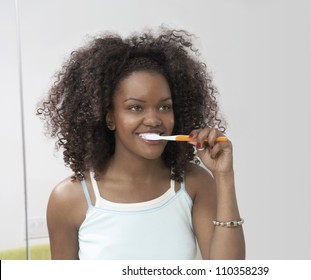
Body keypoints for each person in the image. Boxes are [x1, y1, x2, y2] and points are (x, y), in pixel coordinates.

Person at [37, 27, 245, 260]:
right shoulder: (68, 198)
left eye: (165, 107)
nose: (154, 120)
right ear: (110, 117)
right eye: (135, 107)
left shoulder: (193, 184)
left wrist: (224, 175)